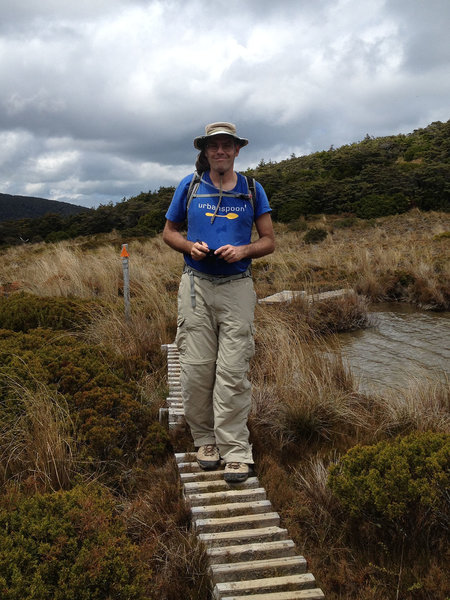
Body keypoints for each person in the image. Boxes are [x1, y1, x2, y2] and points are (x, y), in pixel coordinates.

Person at [162, 122, 275, 482]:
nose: (221, 151)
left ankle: (236, 451)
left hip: (237, 287)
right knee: (196, 369)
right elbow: (169, 232)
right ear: (206, 151)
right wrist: (188, 246)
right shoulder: (189, 186)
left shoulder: (253, 189)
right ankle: (205, 441)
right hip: (195, 285)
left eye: (227, 145)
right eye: (215, 146)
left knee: (233, 371)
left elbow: (269, 240)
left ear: (237, 150)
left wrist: (244, 249)